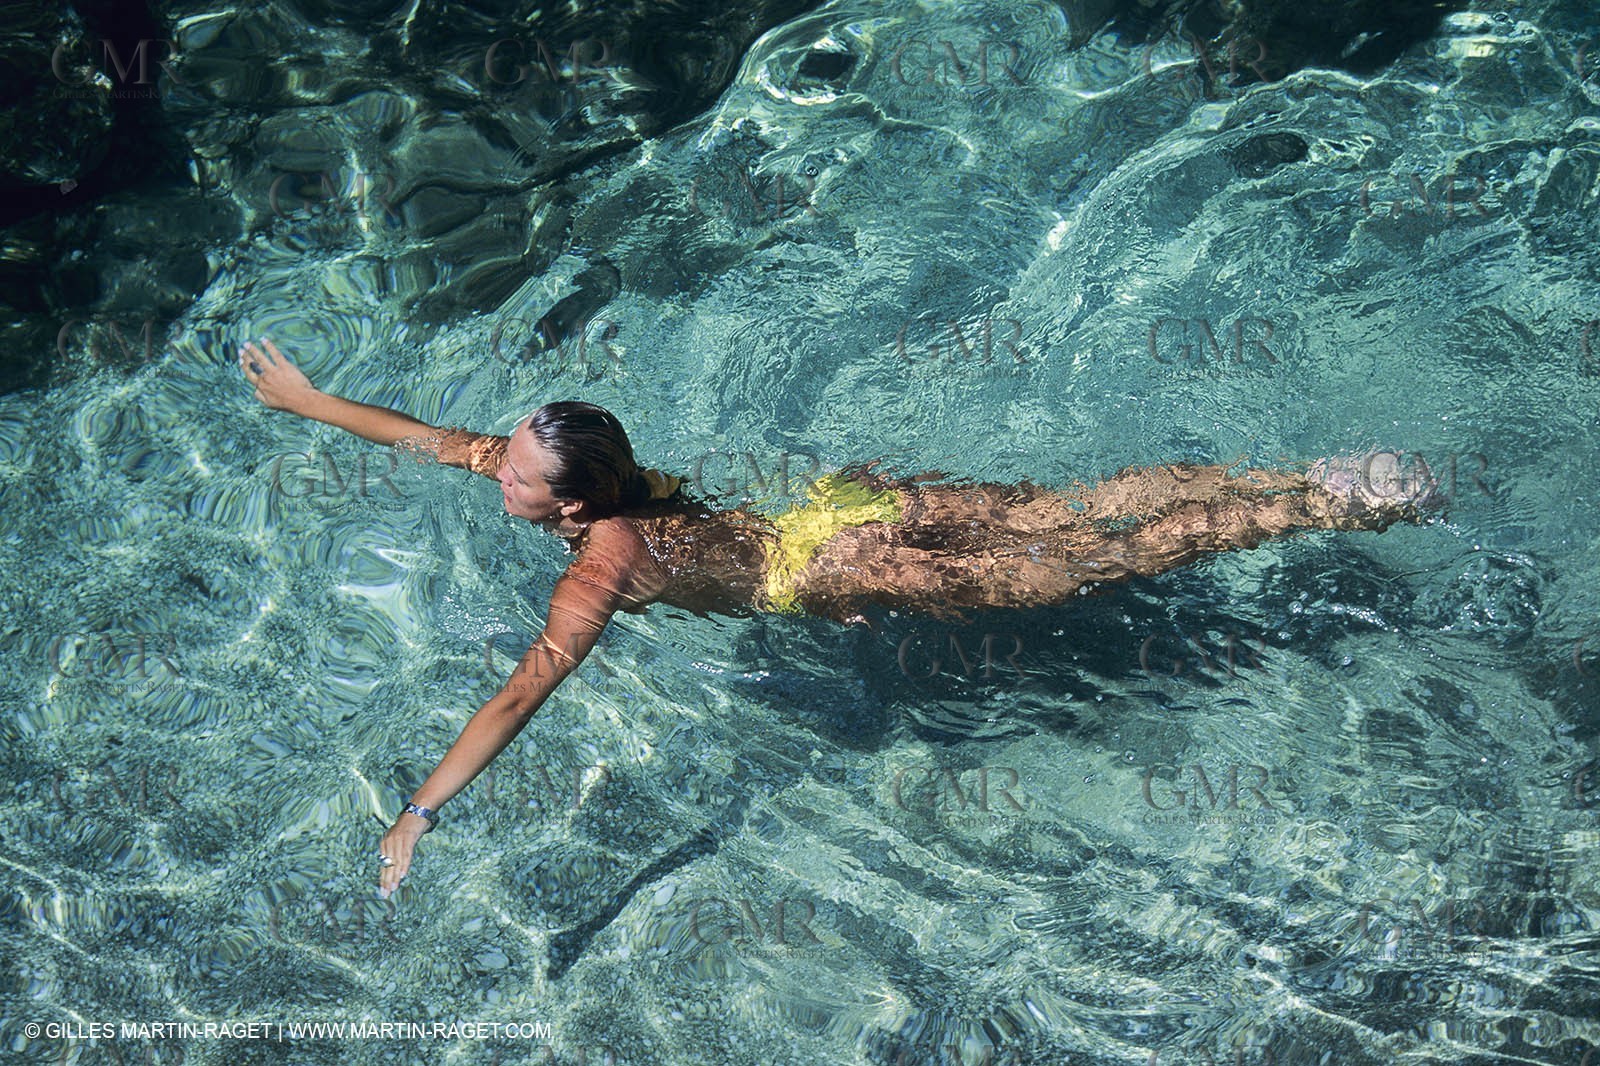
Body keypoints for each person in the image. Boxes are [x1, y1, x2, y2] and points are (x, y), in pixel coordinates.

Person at [237, 337, 1443, 898]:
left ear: (573, 497)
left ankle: (1325, 514)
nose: (491, 471)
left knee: (1079, 566)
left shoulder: (595, 557)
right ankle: (1317, 474)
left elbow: (526, 683)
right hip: (843, 505)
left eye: (513, 474)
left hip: (843, 575)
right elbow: (425, 438)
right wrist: (306, 403)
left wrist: (418, 806)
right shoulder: (605, 480)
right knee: (1075, 512)